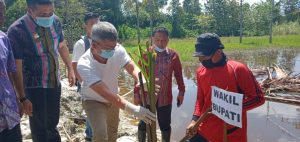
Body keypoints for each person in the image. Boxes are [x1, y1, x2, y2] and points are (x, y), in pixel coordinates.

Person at [7, 0, 75, 141]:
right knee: (40, 128)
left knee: (52, 122)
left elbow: (62, 45)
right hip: (34, 87)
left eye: (51, 12)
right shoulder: (17, 31)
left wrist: (70, 68)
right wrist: (22, 97)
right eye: (43, 14)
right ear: (30, 10)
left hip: (53, 81)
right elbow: (16, 67)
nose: (48, 16)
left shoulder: (55, 21)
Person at [77, 21, 156, 142]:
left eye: (113, 47)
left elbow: (132, 67)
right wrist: (132, 109)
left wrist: (142, 80)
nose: (112, 51)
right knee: (100, 134)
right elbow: (105, 93)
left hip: (114, 99)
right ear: (93, 45)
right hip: (93, 100)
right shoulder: (84, 64)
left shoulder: (117, 50)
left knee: (112, 132)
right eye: (107, 48)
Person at [185, 33, 265, 142]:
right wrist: (194, 120)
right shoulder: (201, 71)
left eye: (205, 56)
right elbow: (200, 99)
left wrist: (230, 108)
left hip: (230, 133)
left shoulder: (238, 70)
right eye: (200, 57)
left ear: (218, 51)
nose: (201, 60)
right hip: (203, 128)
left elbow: (258, 98)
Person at [134, 27, 185, 142]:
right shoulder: (146, 54)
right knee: (143, 122)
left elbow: (179, 75)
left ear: (168, 40)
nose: (160, 43)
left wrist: (181, 92)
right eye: (157, 40)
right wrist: (136, 94)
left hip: (165, 97)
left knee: (165, 125)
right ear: (152, 39)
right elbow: (138, 75)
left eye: (164, 40)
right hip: (146, 96)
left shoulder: (173, 55)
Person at [0, 0, 32, 141]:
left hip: (9, 111)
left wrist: (20, 99)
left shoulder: (3, 39)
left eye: (1, 14)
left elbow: (11, 71)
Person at [72, 12, 98, 142]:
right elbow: (75, 65)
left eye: (97, 23)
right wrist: (83, 83)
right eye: (91, 24)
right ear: (85, 25)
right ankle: (90, 137)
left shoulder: (101, 41)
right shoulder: (81, 44)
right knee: (91, 112)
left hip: (100, 83)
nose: (95, 26)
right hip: (87, 84)